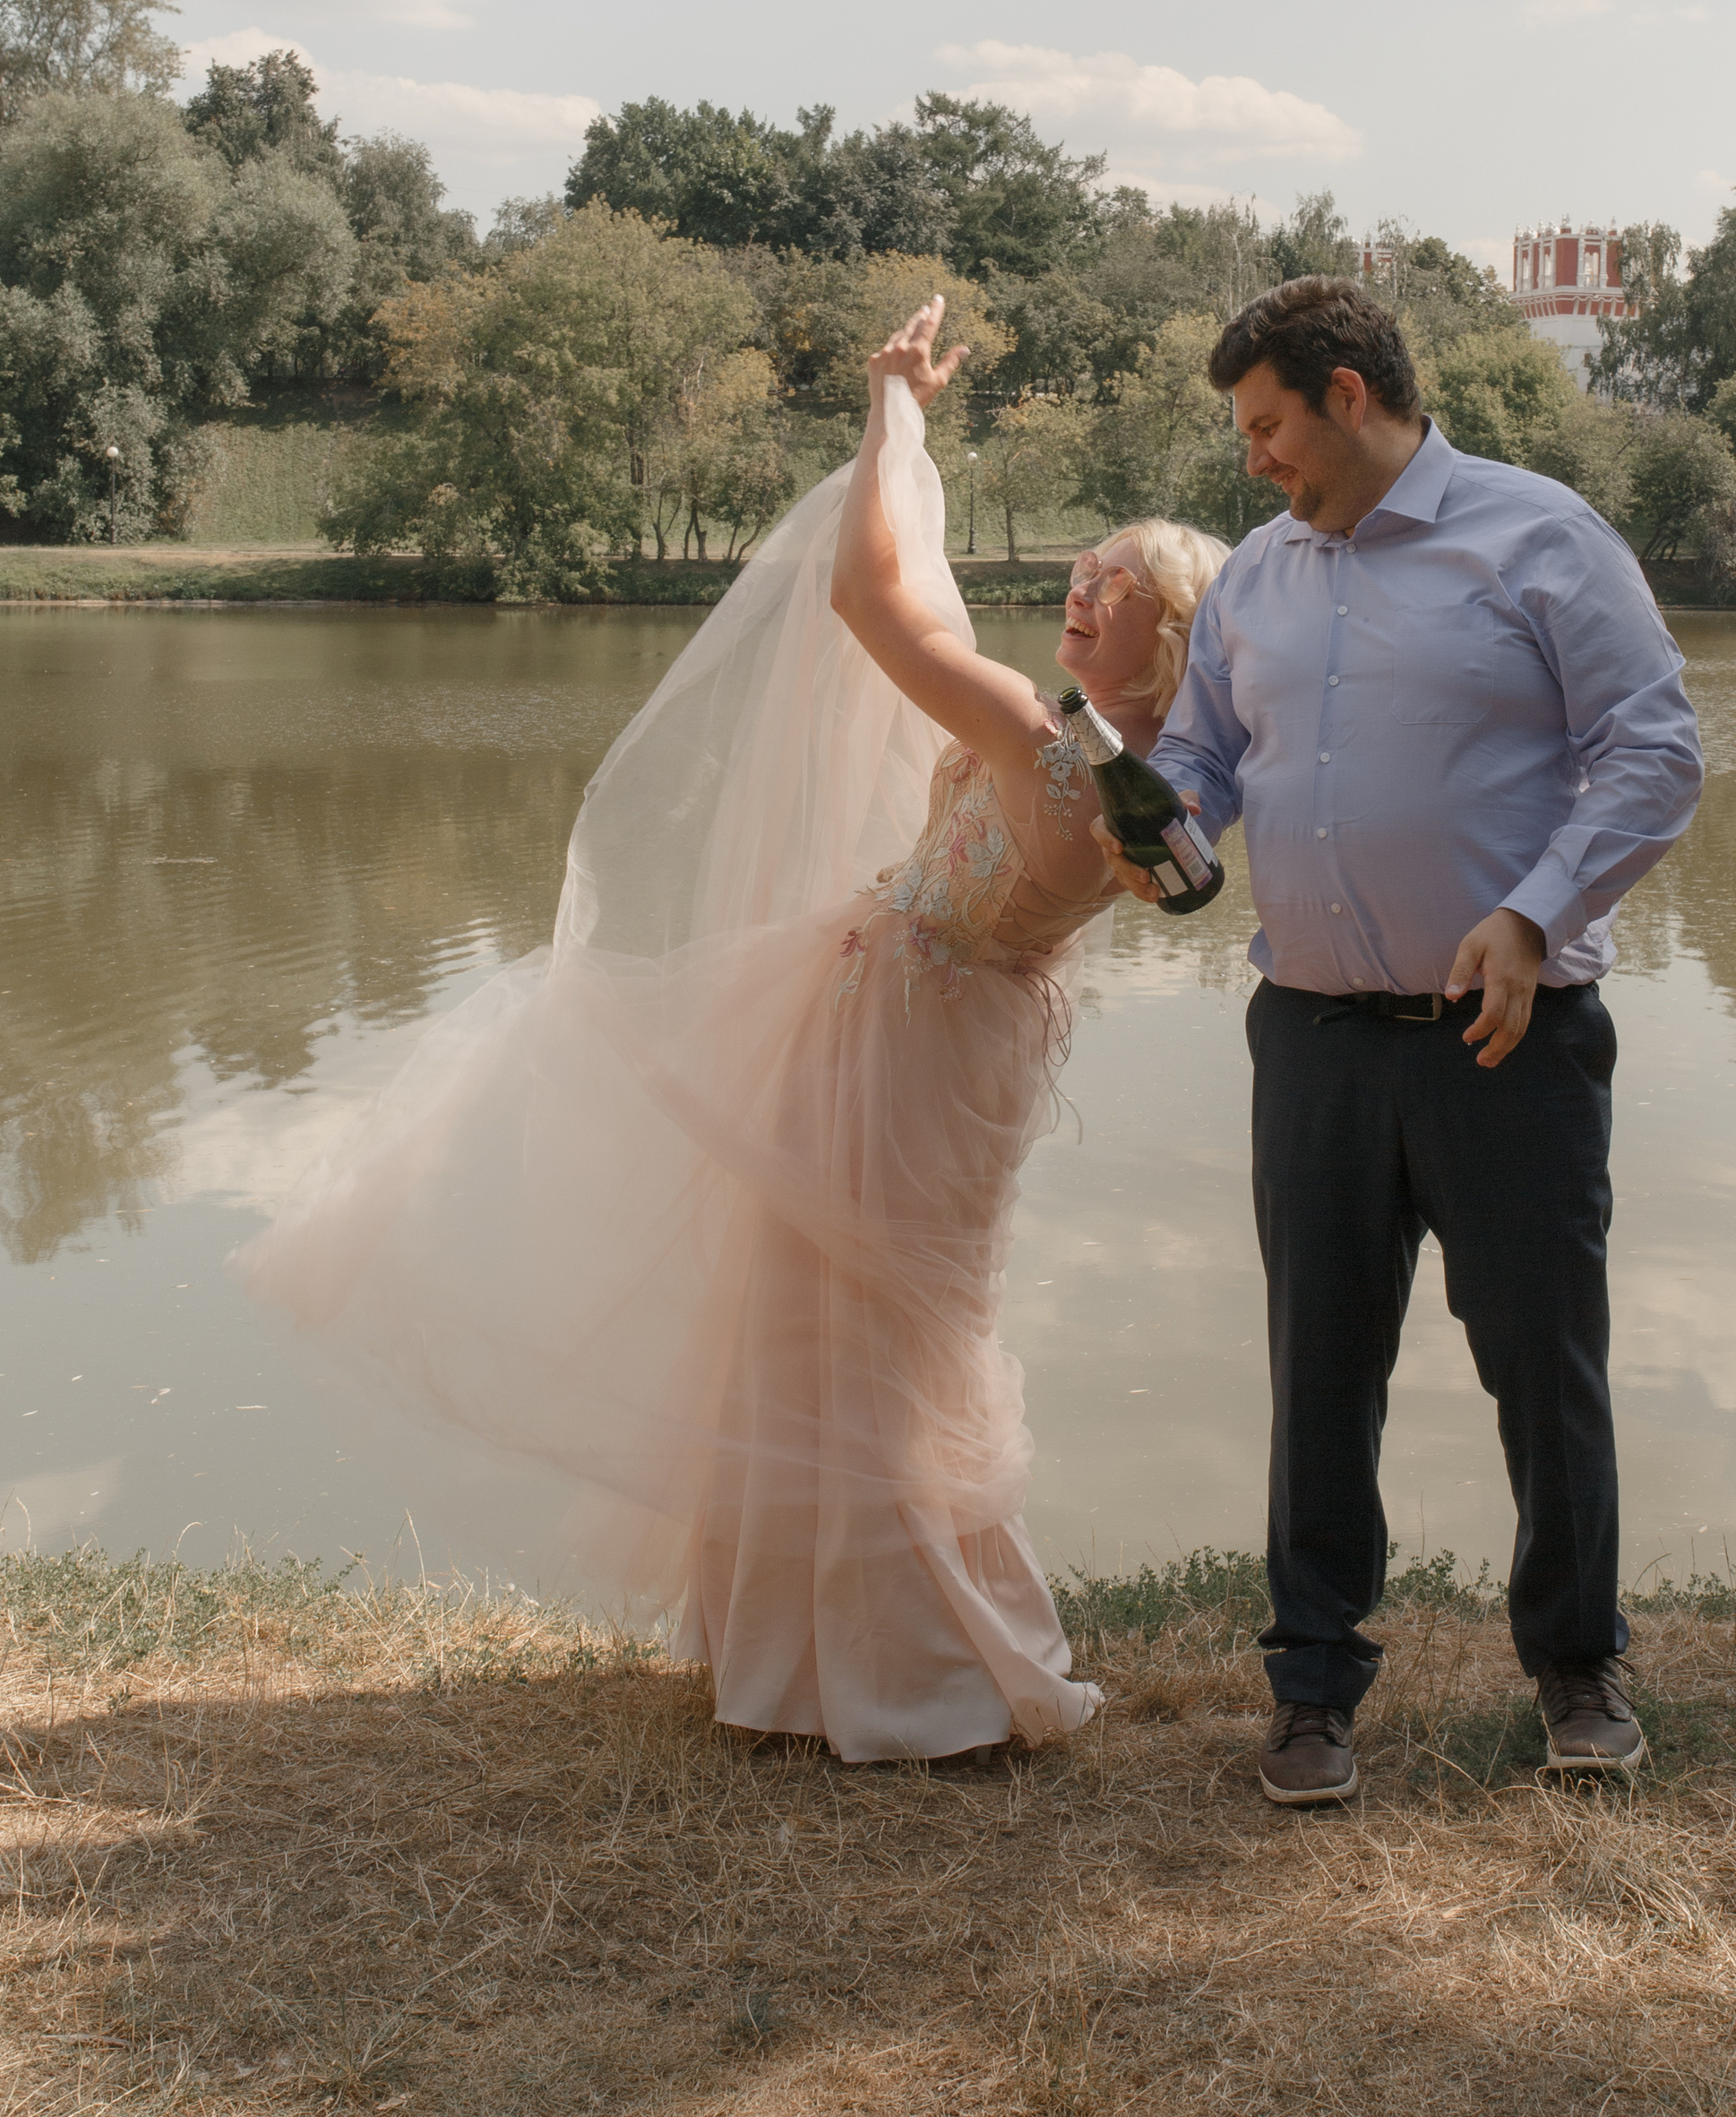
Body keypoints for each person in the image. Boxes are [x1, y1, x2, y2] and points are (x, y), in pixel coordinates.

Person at [240, 299, 1227, 1764]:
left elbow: (874, 606)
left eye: (1119, 581)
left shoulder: (1053, 745)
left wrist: (895, 407)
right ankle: (812, 1661)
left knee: (870, 1333)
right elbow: (926, 608)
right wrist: (897, 424)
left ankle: (913, 1674)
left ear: (1178, 628)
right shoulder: (1118, 766)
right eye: (1082, 568)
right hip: (928, 1034)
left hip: (913, 1048)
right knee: (836, 1319)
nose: (1082, 586)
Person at [1097, 277, 1703, 1803]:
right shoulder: (1254, 581)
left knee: (1542, 1364)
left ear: (1350, 392)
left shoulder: (1540, 537)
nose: (1254, 462)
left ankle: (1578, 1668)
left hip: (1509, 1032)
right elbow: (1207, 752)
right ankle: (1311, 1688)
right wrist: (1165, 820)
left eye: (1268, 426)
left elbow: (1658, 751)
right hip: (1310, 1038)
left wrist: (1537, 909)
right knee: (1319, 1370)